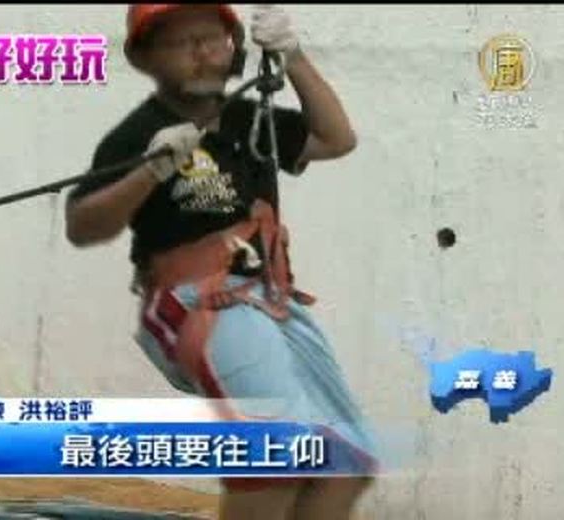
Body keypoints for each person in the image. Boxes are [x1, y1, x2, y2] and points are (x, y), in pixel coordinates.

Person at [65, 4, 378, 519]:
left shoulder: (248, 119)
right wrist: (149, 171)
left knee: (346, 463)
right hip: (194, 303)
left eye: (213, 40)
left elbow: (336, 139)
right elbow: (82, 225)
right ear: (147, 59)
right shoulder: (138, 135)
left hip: (269, 300)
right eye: (181, 43)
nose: (202, 53)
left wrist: (293, 58)